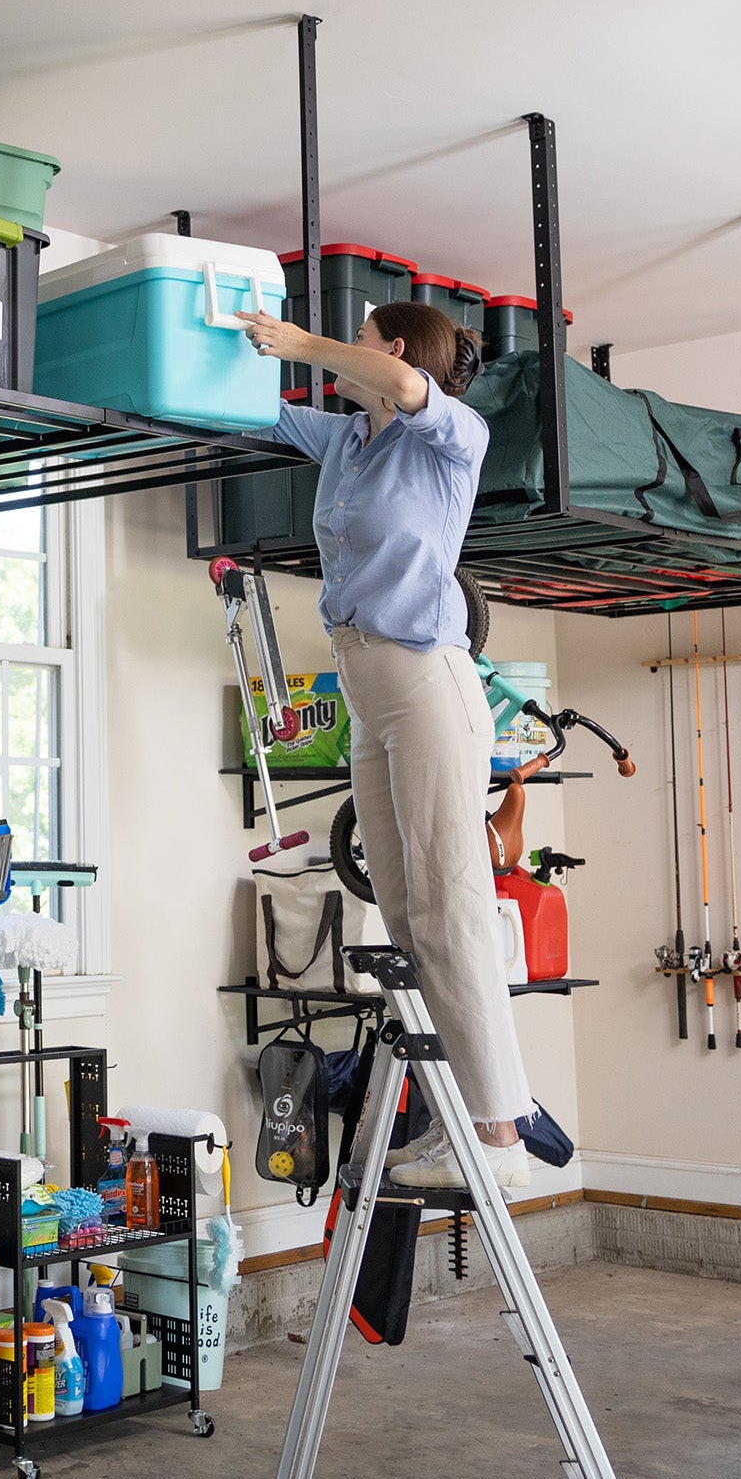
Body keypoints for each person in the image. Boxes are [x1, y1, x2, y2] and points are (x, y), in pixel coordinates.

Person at [239, 297, 531, 1188]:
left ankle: (501, 1140)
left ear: (391, 347)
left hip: (427, 680)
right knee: (404, 914)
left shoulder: (452, 437)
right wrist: (223, 340)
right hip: (366, 688)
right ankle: (463, 1119)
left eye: (354, 341)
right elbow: (247, 410)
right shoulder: (348, 442)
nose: (342, 356)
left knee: (451, 907)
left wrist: (297, 342)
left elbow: (406, 386)